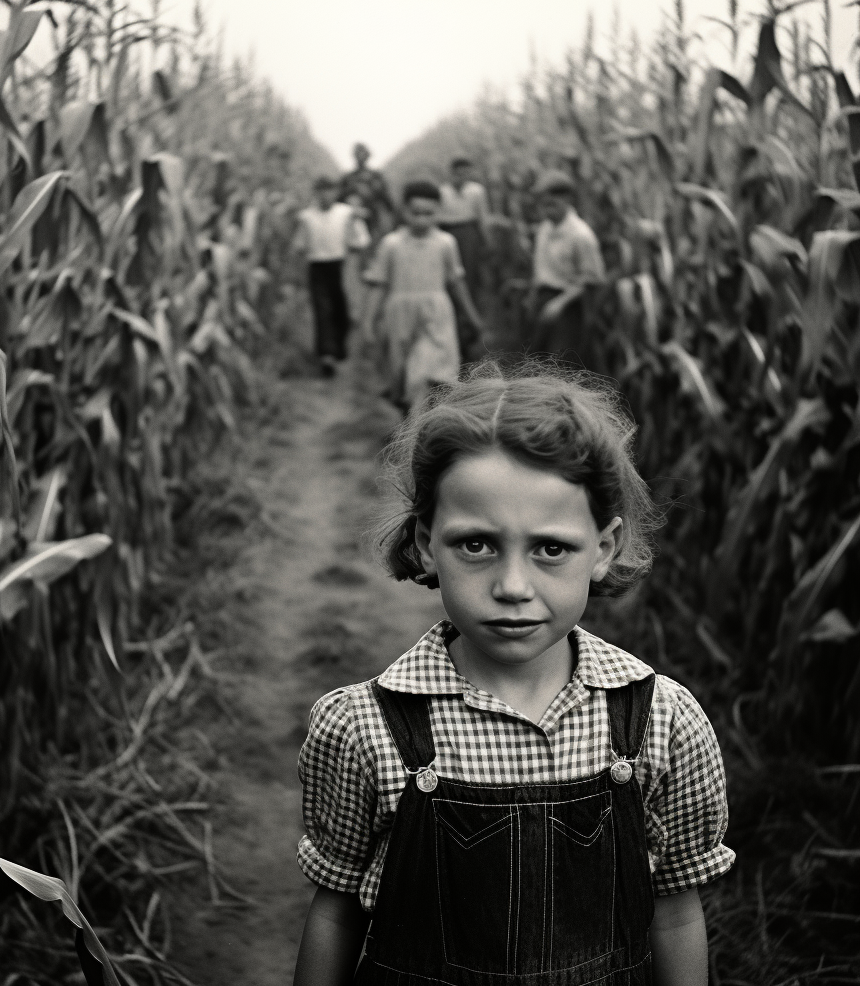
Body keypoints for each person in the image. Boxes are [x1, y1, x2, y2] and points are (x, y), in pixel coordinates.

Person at [293, 362, 734, 986]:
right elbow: (337, 914)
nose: (512, 587)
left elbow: (675, 914)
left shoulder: (662, 723)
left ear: (602, 549)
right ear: (425, 542)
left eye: (550, 548)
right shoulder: (364, 730)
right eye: (477, 544)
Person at [363, 181, 482, 413]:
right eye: (415, 213)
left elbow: (456, 282)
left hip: (436, 313)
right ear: (403, 210)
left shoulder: (445, 243)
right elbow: (379, 284)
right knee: (400, 371)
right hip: (400, 315)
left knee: (428, 370)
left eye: (429, 214)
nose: (422, 220)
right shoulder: (392, 244)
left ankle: (421, 426)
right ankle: (407, 418)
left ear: (439, 212)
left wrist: (471, 315)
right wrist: (368, 321)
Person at [294, 176, 369, 375]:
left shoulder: (345, 213)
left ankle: (339, 348)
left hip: (341, 266)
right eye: (321, 191)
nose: (325, 195)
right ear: (315, 193)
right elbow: (299, 244)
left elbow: (357, 241)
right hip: (317, 267)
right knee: (323, 310)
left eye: (329, 190)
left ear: (335, 192)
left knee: (341, 310)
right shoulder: (307, 217)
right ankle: (327, 355)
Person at [529, 169, 606, 360]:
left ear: (567, 199)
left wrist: (559, 304)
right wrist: (533, 297)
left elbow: (592, 278)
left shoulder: (581, 235)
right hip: (543, 298)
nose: (547, 211)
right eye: (543, 205)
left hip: (568, 306)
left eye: (552, 205)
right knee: (536, 360)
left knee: (559, 363)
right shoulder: (545, 228)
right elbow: (540, 268)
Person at [439, 157, 490, 361]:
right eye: (458, 173)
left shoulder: (476, 191)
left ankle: (468, 333)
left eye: (466, 173)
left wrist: (486, 241)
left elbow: (482, 217)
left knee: (468, 282)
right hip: (449, 232)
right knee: (449, 283)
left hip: (469, 235)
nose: (463, 177)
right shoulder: (442, 192)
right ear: (451, 173)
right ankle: (452, 331)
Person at [339, 143, 397, 241]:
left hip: (372, 218)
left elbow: (385, 197)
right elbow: (339, 199)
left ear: (367, 156)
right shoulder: (348, 178)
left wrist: (393, 216)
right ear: (354, 156)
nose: (360, 157)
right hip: (352, 218)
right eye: (358, 154)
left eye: (363, 154)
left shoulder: (375, 176)